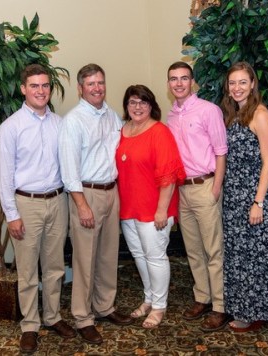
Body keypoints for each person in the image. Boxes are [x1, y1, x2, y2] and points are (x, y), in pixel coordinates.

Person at [0, 64, 75, 354]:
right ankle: (30, 324)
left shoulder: (59, 123)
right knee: (28, 271)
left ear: (49, 89)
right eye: (34, 86)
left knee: (54, 267)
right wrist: (12, 215)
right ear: (23, 89)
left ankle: (53, 316)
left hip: (58, 201)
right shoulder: (11, 127)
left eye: (45, 86)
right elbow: (4, 176)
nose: (40, 91)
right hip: (25, 204)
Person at [58, 63, 133, 345]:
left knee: (107, 255)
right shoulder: (73, 121)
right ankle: (82, 317)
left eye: (100, 82)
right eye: (91, 84)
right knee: (84, 259)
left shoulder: (111, 115)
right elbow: (69, 169)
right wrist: (81, 205)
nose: (97, 88)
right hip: (86, 195)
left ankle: (104, 307)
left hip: (111, 192)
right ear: (80, 88)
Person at [220, 61, 268, 332]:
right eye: (232, 83)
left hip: (253, 197)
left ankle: (254, 312)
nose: (237, 88)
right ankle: (247, 307)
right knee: (238, 255)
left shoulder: (260, 114)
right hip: (233, 196)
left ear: (252, 84)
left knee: (256, 255)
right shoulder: (232, 114)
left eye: (242, 82)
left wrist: (258, 202)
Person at [166, 61, 230, 332]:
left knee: (213, 249)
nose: (178, 83)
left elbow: (221, 150)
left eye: (183, 78)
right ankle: (202, 297)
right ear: (168, 84)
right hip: (183, 189)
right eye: (173, 79)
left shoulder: (209, 110)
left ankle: (220, 306)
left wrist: (216, 187)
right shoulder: (170, 116)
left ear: (193, 82)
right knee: (193, 249)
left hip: (205, 186)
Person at [116, 85, 186, 329]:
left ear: (151, 105)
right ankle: (149, 298)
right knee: (139, 256)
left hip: (154, 210)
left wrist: (161, 210)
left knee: (155, 257)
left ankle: (159, 306)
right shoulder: (123, 131)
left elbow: (169, 175)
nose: (137, 107)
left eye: (143, 102)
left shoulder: (160, 132)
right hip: (128, 208)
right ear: (126, 105)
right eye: (133, 102)